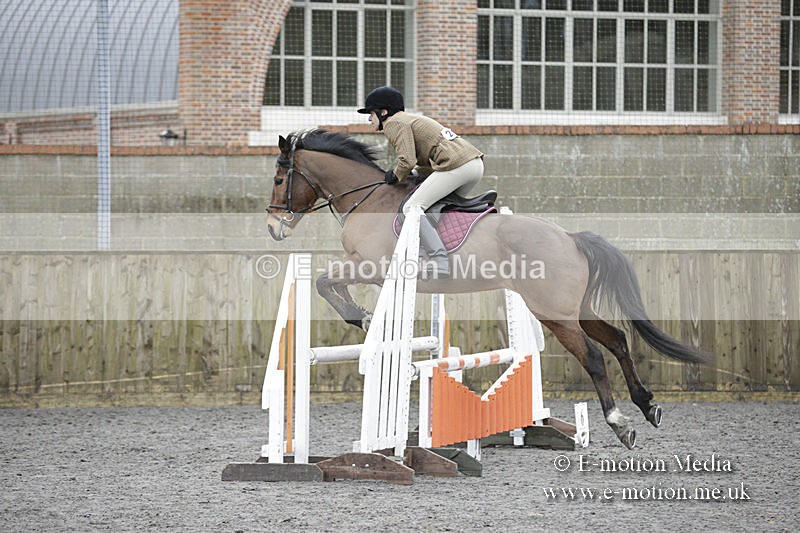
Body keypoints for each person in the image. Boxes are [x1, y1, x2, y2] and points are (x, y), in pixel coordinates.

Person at [357, 86, 484, 277]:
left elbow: (406, 160)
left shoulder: (394, 123)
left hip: (457, 167)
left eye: (371, 114)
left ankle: (440, 260)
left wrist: (395, 174)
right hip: (474, 166)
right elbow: (423, 161)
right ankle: (435, 251)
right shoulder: (411, 120)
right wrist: (414, 172)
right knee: (434, 208)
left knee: (412, 208)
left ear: (383, 112)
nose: (369, 119)